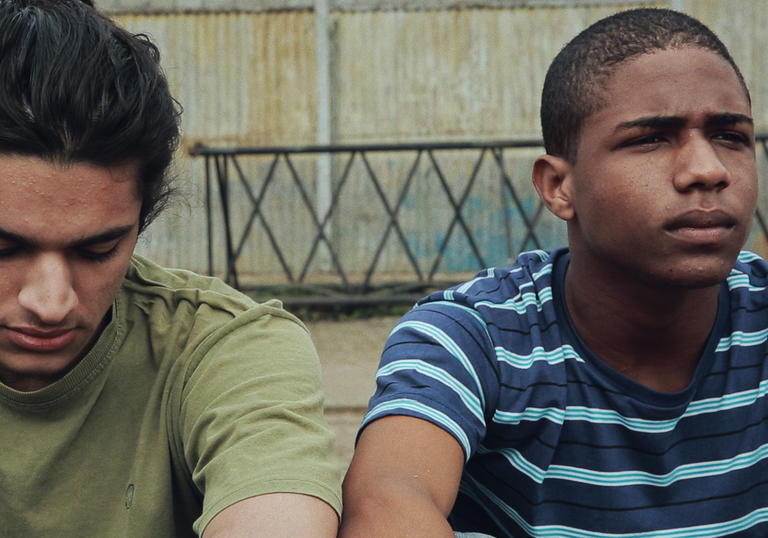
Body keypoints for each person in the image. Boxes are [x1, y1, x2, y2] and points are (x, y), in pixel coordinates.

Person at [340, 7, 768, 537]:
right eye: (651, 139)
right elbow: (387, 504)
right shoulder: (477, 337)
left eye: (731, 136)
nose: (708, 169)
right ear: (557, 187)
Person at [0, 1, 340, 536]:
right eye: (3, 248)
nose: (52, 302)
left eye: (97, 251)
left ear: (143, 217)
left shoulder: (222, 347)